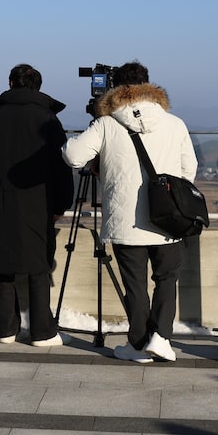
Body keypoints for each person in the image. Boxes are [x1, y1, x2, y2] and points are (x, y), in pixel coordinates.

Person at [61, 61, 198, 363]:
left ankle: (138, 345)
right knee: (166, 278)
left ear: (116, 90)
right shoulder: (174, 123)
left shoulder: (107, 124)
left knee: (134, 284)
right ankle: (161, 338)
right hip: (169, 220)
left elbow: (73, 156)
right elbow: (190, 168)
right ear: (149, 87)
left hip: (126, 222)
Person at [0, 64, 74, 346]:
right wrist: (62, 205)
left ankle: (6, 329)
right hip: (37, 201)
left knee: (1, 263)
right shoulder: (48, 120)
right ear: (37, 87)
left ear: (10, 83)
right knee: (39, 264)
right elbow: (62, 167)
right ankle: (42, 332)